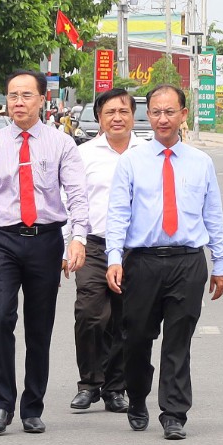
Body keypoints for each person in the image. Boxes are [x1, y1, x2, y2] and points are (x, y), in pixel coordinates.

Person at [0, 69, 89, 436]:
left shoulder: (61, 143)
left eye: (26, 95)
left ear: (41, 100)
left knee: (40, 326)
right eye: (12, 95)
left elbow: (78, 195)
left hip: (45, 240)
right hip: (3, 240)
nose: (18, 102)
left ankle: (32, 406)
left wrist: (77, 238)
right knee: (0, 317)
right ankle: (2, 404)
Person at [106, 84, 223, 440]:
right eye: (156, 112)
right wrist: (115, 258)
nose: (162, 119)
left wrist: (219, 263)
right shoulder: (132, 161)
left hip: (187, 263)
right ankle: (138, 397)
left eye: (169, 112)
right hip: (142, 263)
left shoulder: (201, 162)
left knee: (179, 340)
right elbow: (117, 214)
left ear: (182, 115)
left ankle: (174, 412)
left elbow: (213, 215)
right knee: (137, 339)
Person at [71, 87, 142, 414]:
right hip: (94, 245)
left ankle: (116, 386)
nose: (117, 118)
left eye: (123, 112)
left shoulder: (146, 152)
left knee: (125, 318)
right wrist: (72, 242)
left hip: (135, 249)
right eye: (110, 112)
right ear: (99, 118)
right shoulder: (83, 155)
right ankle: (89, 383)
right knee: (90, 313)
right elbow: (70, 200)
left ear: (132, 116)